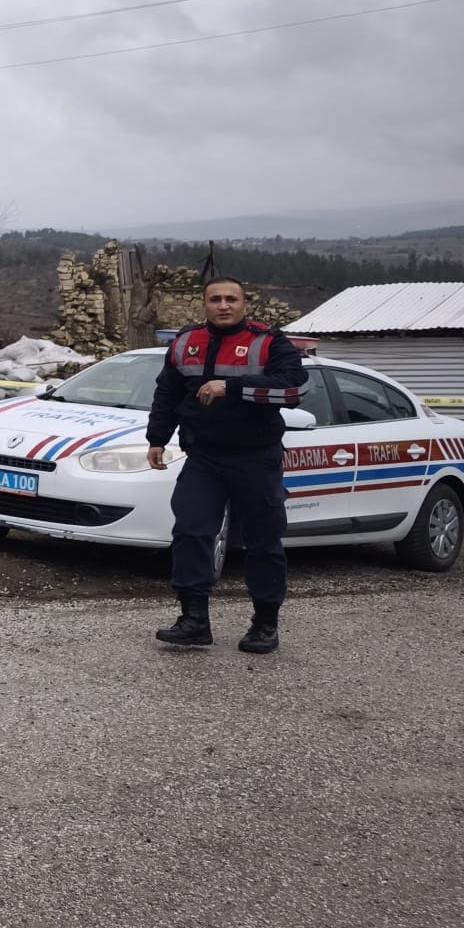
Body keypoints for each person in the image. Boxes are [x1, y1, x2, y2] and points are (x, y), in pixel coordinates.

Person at [145, 277, 308, 654]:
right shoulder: (186, 342)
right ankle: (194, 621)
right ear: (203, 304)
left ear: (244, 303)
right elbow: (167, 393)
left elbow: (294, 390)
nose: (223, 305)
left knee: (263, 542)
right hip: (204, 456)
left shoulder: (269, 342)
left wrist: (231, 387)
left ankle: (265, 624)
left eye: (231, 299)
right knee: (190, 532)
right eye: (215, 299)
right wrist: (157, 438)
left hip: (256, 458)